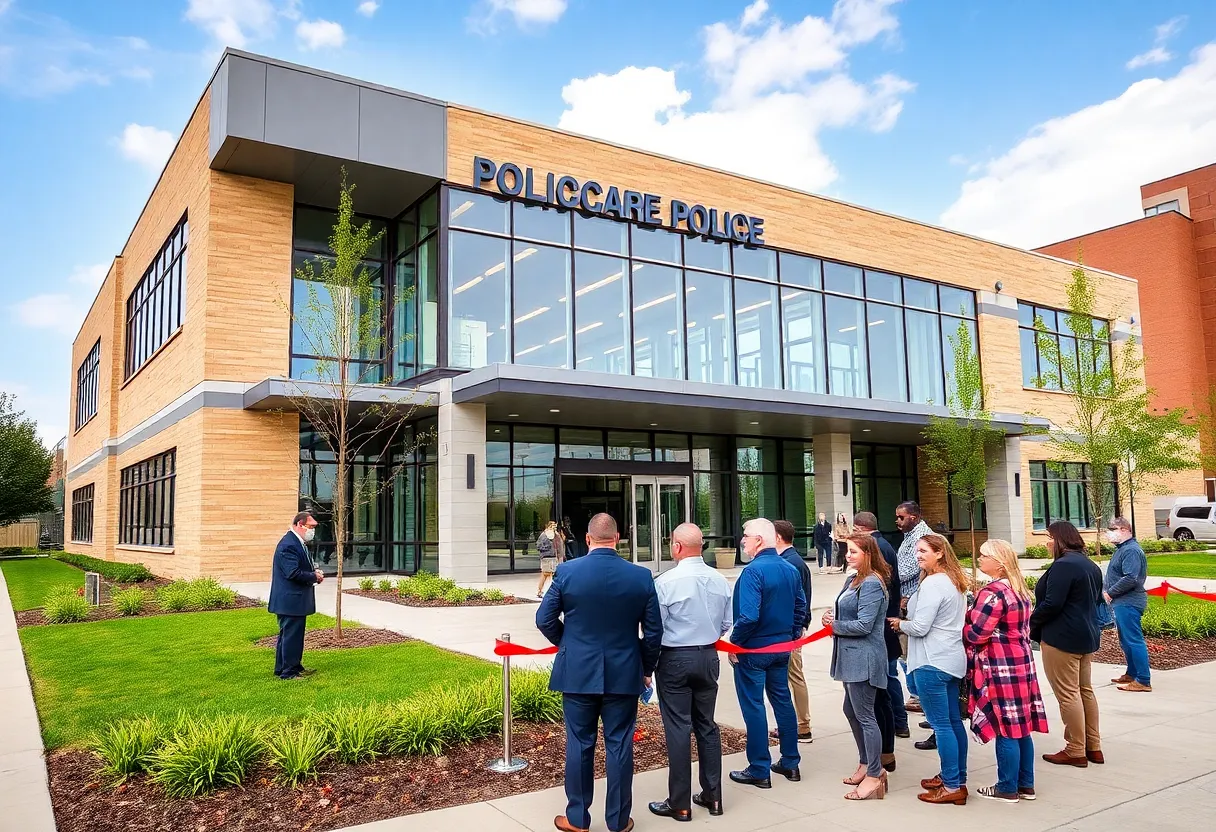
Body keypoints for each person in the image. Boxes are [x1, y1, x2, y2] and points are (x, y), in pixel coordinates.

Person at [536, 512, 663, 832]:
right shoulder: (641, 576)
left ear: (588, 539)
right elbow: (653, 632)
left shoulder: (567, 571)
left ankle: (578, 818)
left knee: (580, 743)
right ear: (617, 539)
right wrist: (646, 668)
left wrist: (568, 645)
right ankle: (618, 820)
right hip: (624, 673)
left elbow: (544, 619)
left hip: (578, 673)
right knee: (619, 745)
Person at [648, 523, 733, 821]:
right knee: (706, 725)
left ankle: (680, 803)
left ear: (677, 547)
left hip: (675, 658)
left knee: (678, 728)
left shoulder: (665, 582)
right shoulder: (720, 580)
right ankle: (713, 796)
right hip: (708, 656)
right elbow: (727, 623)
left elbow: (655, 628)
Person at [965, 539, 1050, 803]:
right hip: (1021, 661)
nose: (979, 559)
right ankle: (1026, 784)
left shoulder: (992, 593)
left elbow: (977, 634)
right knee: (1021, 725)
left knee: (1005, 726)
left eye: (984, 555)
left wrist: (964, 627)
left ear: (999, 564)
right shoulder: (1019, 589)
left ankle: (1007, 787)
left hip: (999, 664)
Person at [889, 533, 969, 806]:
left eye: (924, 551)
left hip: (931, 662)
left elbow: (920, 627)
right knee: (953, 722)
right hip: (951, 660)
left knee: (942, 725)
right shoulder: (954, 581)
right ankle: (956, 777)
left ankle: (952, 785)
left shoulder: (934, 583)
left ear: (940, 553)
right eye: (917, 551)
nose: (918, 555)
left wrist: (899, 624)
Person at [727, 518, 806, 789]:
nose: (743, 541)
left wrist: (735, 643)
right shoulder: (789, 569)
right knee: (782, 701)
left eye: (746, 536)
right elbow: (800, 607)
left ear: (759, 540)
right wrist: (791, 635)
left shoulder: (753, 572)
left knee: (754, 706)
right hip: (780, 647)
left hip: (754, 649)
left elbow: (748, 616)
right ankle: (790, 762)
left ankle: (759, 768)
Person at [1031, 520, 1104, 768]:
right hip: (1086, 635)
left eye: (1049, 537)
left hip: (1061, 638)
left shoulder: (1063, 566)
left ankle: (1075, 749)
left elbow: (1052, 603)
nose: (1046, 542)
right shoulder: (1089, 564)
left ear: (1060, 539)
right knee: (1084, 691)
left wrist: (1030, 621)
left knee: (1068, 694)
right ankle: (1093, 746)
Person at [823, 533, 892, 800]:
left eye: (853, 551)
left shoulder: (872, 582)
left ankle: (875, 775)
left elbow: (865, 625)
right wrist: (832, 617)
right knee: (850, 710)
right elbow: (846, 611)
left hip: (864, 658)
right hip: (849, 657)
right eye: (847, 550)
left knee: (865, 716)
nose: (848, 555)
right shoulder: (853, 579)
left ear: (868, 554)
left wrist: (835, 626)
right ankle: (866, 763)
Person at [854, 511, 909, 746]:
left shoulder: (877, 548)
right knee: (888, 675)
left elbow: (883, 587)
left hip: (883, 622)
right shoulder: (884, 544)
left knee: (887, 676)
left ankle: (898, 722)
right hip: (886, 618)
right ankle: (897, 721)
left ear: (860, 529)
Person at [267, 511, 324, 681]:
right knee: (291, 636)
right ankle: (289, 672)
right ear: (300, 524)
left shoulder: (296, 542)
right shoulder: (289, 545)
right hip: (290, 600)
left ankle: (287, 667)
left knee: (290, 635)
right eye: (311, 527)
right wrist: (314, 576)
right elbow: (292, 573)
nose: (313, 531)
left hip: (293, 600)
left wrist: (313, 572)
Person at [771, 520, 814, 743]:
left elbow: (800, 601)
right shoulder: (792, 561)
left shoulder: (791, 564)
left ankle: (802, 725)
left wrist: (799, 627)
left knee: (794, 676)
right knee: (789, 677)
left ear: (778, 538)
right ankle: (792, 723)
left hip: (790, 632)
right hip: (791, 630)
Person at [1104, 517, 1151, 692]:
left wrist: (1110, 592)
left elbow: (1131, 578)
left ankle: (1143, 680)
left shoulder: (1131, 550)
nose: (1108, 533)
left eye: (1112, 529)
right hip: (1122, 602)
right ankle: (1132, 673)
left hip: (1129, 602)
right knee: (1126, 640)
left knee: (1133, 640)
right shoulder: (1123, 549)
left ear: (1124, 530)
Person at [894, 501, 933, 714]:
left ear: (914, 517)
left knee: (908, 651)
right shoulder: (911, 535)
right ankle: (917, 694)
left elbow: (905, 571)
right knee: (906, 651)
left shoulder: (921, 537)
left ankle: (918, 696)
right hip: (908, 600)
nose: (897, 521)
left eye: (901, 517)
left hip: (912, 602)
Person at [537, 520, 563, 598]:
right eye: (552, 526)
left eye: (555, 526)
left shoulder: (555, 535)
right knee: (546, 574)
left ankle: (543, 591)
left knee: (550, 574)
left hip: (553, 557)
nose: (554, 528)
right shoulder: (544, 535)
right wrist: (549, 546)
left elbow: (559, 546)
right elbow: (539, 546)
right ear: (549, 526)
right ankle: (541, 591)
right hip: (547, 557)